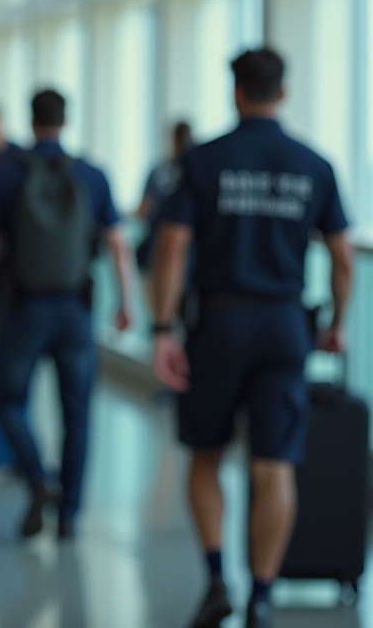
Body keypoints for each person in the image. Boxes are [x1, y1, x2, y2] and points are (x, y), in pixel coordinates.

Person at [150, 48, 352, 628]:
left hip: (219, 321)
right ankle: (262, 595)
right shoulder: (314, 163)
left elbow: (171, 247)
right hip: (286, 324)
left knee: (206, 454)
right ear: (283, 93)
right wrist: (336, 322)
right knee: (275, 464)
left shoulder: (204, 160)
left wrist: (163, 328)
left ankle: (217, 579)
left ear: (235, 92)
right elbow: (342, 258)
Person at [0, 89, 133, 539]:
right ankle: (70, 517)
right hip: (76, 308)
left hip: (24, 308)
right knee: (77, 413)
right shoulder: (93, 176)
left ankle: (38, 479)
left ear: (31, 121)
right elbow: (118, 244)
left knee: (7, 401)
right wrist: (127, 303)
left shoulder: (7, 176)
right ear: (66, 120)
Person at [136, 121, 194, 304]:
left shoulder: (159, 171)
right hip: (190, 258)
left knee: (159, 318)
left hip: (155, 252)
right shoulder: (196, 172)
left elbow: (144, 210)